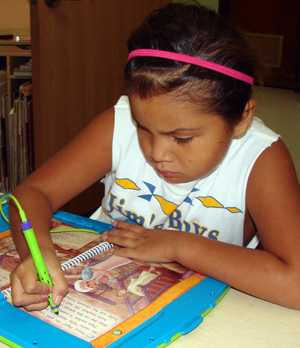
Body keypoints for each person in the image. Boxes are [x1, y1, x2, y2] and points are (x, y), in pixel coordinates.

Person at [8, 3, 300, 311]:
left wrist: (177, 245)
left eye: (182, 138)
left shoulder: (261, 157)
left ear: (241, 119)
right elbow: (32, 193)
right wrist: (35, 251)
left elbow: (295, 284)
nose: (157, 154)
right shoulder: (117, 124)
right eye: (143, 128)